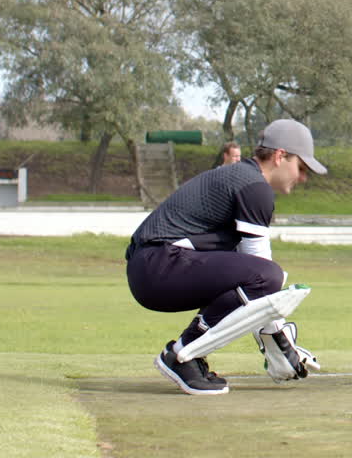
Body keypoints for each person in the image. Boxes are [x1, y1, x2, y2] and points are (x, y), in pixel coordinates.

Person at [125, 119, 328, 395]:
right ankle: (181, 355)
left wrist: (276, 339)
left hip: (151, 268)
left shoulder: (242, 177)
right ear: (281, 156)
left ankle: (189, 356)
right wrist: (280, 343)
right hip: (158, 265)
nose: (303, 177)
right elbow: (265, 276)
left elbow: (254, 289)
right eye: (301, 168)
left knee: (259, 279)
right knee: (270, 275)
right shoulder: (255, 187)